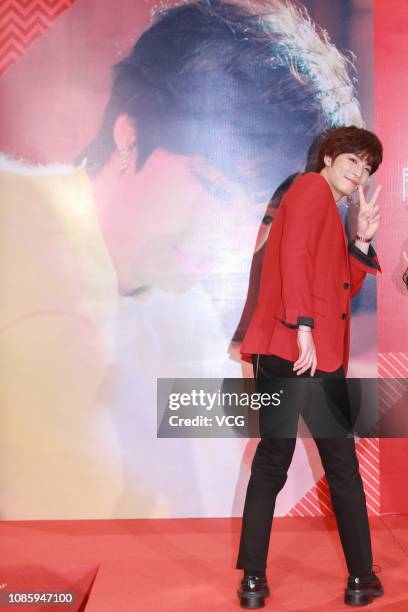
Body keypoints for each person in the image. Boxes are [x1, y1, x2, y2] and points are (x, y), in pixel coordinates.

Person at [0, 0, 366, 519]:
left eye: (270, 218)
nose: (240, 241)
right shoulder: (18, 235)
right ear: (130, 132)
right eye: (215, 187)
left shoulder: (181, 303)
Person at [236, 126, 384, 608]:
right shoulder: (308, 188)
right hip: (297, 349)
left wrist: (360, 243)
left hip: (305, 351)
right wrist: (302, 326)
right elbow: (293, 258)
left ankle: (258, 582)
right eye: (353, 161)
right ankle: (358, 578)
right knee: (324, 466)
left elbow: (341, 289)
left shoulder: (325, 205)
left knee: (284, 463)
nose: (359, 172)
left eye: (367, 168)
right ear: (329, 156)